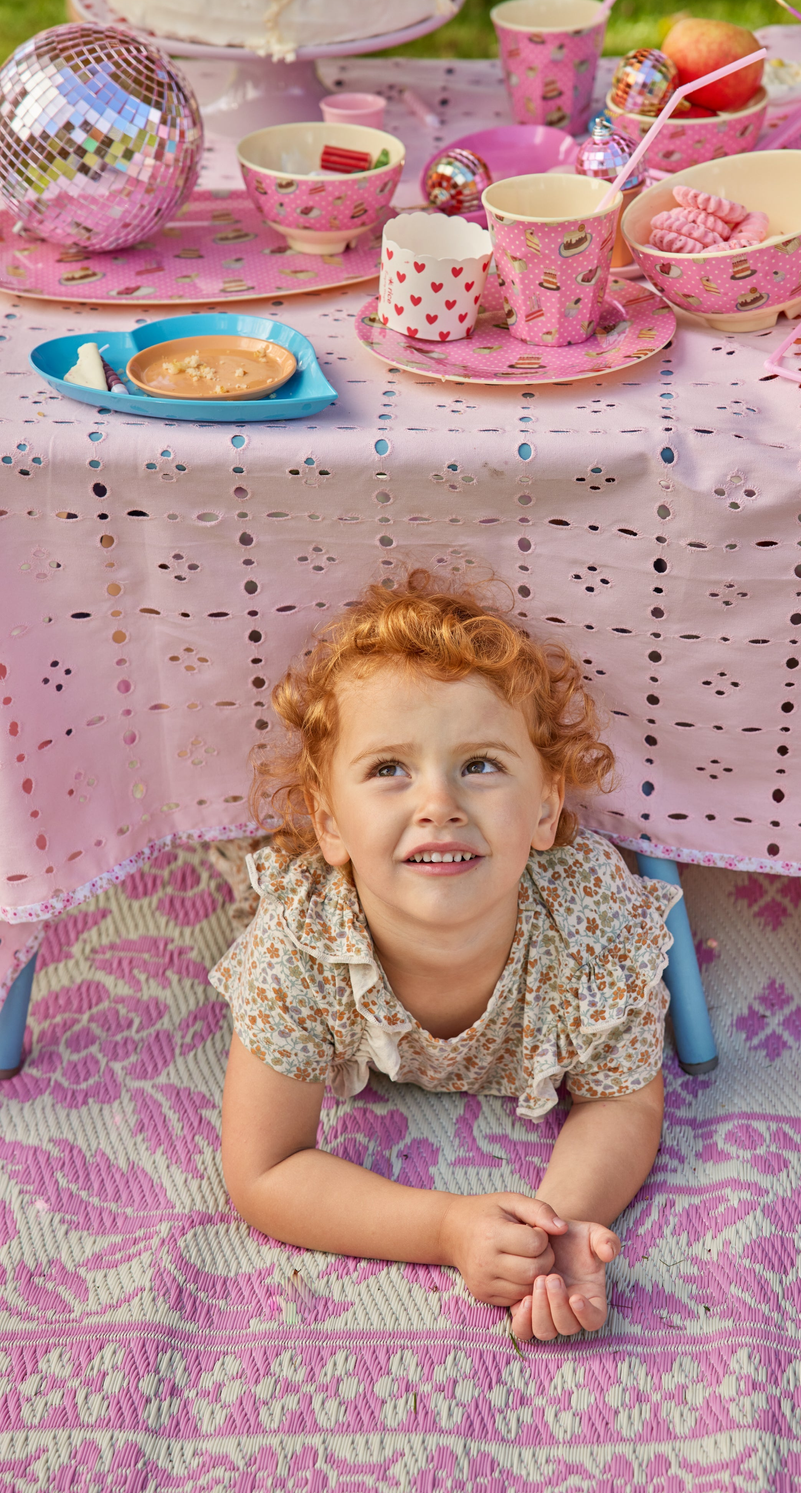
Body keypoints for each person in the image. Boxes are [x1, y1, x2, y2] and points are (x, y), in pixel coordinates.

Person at [210, 570, 678, 1342]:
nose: (439, 804)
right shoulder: (302, 945)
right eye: (390, 769)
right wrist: (449, 1228)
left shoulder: (591, 927)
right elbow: (264, 1169)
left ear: (546, 805)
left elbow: (621, 1100)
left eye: (481, 765)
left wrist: (553, 1231)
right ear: (329, 823)